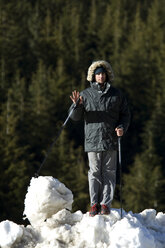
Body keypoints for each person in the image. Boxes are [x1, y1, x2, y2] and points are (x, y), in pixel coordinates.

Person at [70, 60, 130, 216]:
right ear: (93, 77)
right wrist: (76, 106)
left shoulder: (117, 95)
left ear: (107, 75)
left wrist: (122, 127)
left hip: (111, 139)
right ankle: (94, 204)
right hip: (93, 140)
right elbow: (75, 117)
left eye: (103, 74)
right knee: (95, 172)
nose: (101, 76)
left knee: (109, 173)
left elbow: (125, 115)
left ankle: (105, 204)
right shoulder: (85, 94)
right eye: (98, 74)